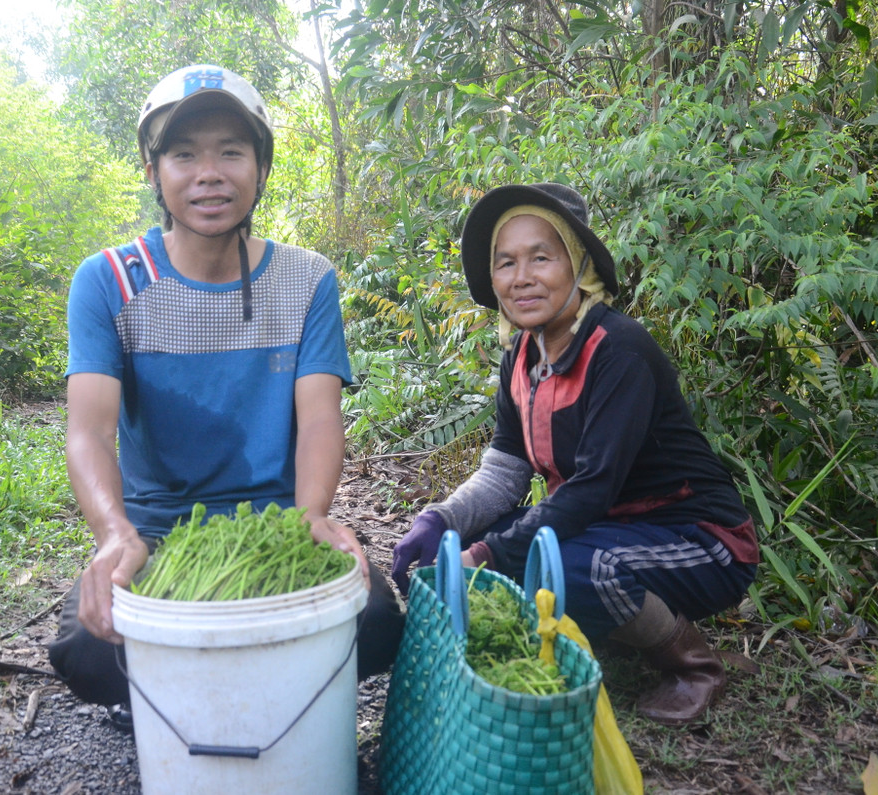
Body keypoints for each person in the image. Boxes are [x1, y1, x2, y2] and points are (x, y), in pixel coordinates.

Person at [48, 65, 404, 723]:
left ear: (261, 169)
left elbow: (319, 419)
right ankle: (233, 685)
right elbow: (89, 431)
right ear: (153, 172)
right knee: (89, 651)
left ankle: (188, 687)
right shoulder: (107, 281)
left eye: (231, 152)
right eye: (184, 154)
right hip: (156, 527)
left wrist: (314, 514)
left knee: (377, 620)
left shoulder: (306, 279)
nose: (208, 174)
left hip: (278, 520)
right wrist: (113, 533)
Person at [391, 182, 759, 726]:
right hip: (609, 526)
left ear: (579, 266)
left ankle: (694, 666)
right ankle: (606, 623)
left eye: (541, 257)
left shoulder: (619, 350)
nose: (522, 277)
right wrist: (441, 521)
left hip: (698, 538)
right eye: (506, 262)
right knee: (468, 543)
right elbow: (506, 470)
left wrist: (487, 554)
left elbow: (591, 490)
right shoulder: (521, 355)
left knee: (564, 565)